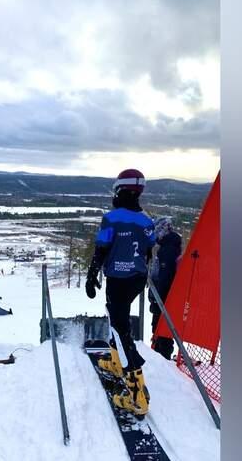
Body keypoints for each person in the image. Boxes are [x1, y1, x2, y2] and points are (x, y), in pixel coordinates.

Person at [85, 168, 155, 417]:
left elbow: (101, 248)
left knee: (119, 327)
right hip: (136, 280)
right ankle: (116, 363)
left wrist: (92, 274)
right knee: (118, 320)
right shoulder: (147, 221)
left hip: (117, 279)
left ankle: (137, 395)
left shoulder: (111, 218)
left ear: (119, 190)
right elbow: (148, 251)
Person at [148, 217, 182, 361]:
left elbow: (165, 277)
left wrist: (158, 301)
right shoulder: (168, 246)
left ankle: (162, 361)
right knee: (160, 332)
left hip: (164, 300)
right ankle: (160, 358)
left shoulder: (168, 249)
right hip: (163, 299)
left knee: (161, 333)